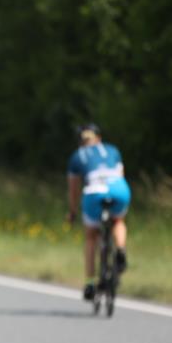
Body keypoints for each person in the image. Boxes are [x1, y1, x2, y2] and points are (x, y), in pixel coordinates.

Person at [66, 123, 131, 300]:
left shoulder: (77, 156)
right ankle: (120, 249)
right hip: (118, 189)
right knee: (118, 221)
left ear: (80, 141)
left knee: (90, 236)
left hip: (94, 192)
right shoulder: (112, 150)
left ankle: (89, 282)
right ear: (98, 138)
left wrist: (72, 211)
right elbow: (121, 175)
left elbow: (73, 190)